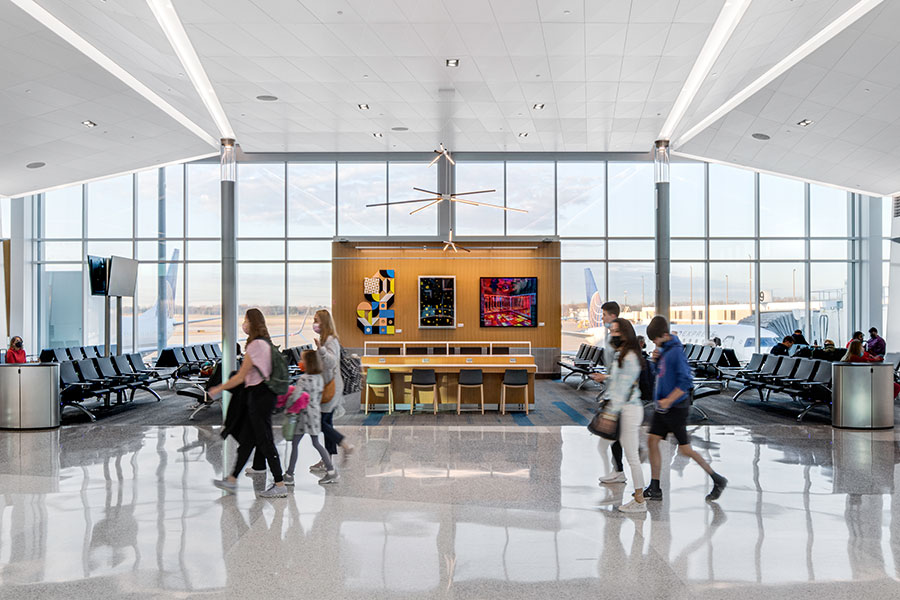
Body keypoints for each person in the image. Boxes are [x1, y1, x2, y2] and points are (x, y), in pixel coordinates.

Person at [644, 315, 727, 503]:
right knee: (652, 441)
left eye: (656, 340)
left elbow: (685, 381)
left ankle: (717, 479)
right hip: (663, 406)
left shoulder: (676, 352)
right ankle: (655, 487)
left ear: (664, 335)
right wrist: (656, 362)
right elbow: (663, 375)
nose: (655, 344)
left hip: (675, 407)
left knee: (685, 450)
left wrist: (669, 400)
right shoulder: (665, 350)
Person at [211, 309, 288, 498]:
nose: (243, 324)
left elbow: (241, 376)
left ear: (252, 323)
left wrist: (219, 388)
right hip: (265, 395)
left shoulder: (255, 346)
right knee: (248, 441)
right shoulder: (266, 344)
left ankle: (280, 484)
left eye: (245, 320)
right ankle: (231, 480)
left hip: (259, 396)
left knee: (265, 440)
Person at [594, 318, 647, 514]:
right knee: (625, 451)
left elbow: (624, 387)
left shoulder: (630, 356)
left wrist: (610, 413)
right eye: (612, 330)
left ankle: (640, 500)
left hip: (629, 410)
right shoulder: (623, 354)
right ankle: (636, 494)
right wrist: (606, 378)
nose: (613, 334)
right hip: (624, 408)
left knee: (632, 456)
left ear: (625, 334)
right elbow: (619, 379)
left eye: (616, 331)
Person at [283, 350, 338, 486]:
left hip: (303, 416)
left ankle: (289, 474)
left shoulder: (304, 379)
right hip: (315, 413)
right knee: (316, 443)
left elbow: (295, 396)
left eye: (303, 360)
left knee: (295, 444)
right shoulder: (319, 378)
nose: (300, 363)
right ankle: (331, 471)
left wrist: (287, 405)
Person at [311, 309, 354, 476]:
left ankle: (344, 444)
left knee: (322, 423)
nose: (314, 323)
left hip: (331, 387)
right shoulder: (327, 339)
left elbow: (330, 362)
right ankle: (327, 460)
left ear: (324, 322)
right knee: (326, 422)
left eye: (316, 320)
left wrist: (320, 350)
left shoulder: (330, 340)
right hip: (329, 386)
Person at [588, 301, 625, 482]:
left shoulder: (619, 339)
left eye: (603, 315)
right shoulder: (611, 338)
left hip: (618, 395)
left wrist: (606, 378)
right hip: (613, 393)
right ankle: (618, 469)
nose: (601, 318)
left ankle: (619, 470)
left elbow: (623, 371)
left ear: (612, 316)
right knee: (614, 435)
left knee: (612, 435)